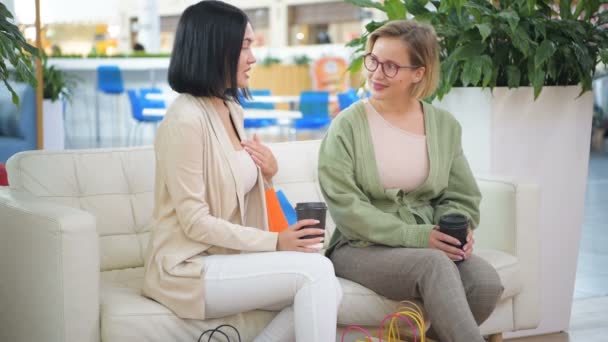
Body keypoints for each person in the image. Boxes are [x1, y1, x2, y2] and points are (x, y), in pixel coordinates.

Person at [142, 1, 342, 341]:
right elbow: (194, 221)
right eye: (245, 46)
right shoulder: (184, 120)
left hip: (226, 258)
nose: (253, 57)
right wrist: (276, 242)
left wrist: (268, 172)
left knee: (325, 282)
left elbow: (236, 193)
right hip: (187, 268)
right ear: (216, 47)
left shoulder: (232, 109)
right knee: (317, 275)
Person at [318, 20, 503, 342]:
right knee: (433, 265)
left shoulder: (443, 125)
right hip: (359, 246)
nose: (376, 74)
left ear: (419, 72)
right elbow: (346, 207)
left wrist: (454, 232)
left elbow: (462, 195)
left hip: (427, 239)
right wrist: (418, 236)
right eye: (373, 61)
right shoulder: (346, 125)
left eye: (391, 66)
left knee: (485, 282)